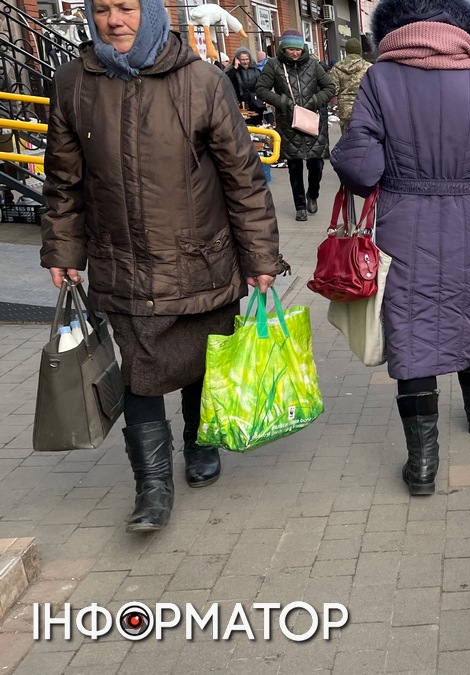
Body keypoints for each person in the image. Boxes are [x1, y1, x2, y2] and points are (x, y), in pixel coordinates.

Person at [40, 0, 286, 533]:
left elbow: (243, 178)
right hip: (122, 262)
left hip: (200, 258)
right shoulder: (72, 83)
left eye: (126, 7)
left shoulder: (202, 81)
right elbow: (63, 181)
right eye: (102, 9)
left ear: (150, 13)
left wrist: (261, 256)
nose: (114, 20)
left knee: (202, 362)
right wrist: (63, 250)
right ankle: (152, 487)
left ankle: (201, 443)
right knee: (140, 377)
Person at [331, 0, 470, 496]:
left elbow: (361, 172)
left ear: (395, 27)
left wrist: (352, 142)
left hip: (404, 227)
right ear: (463, 29)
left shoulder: (379, 81)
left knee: (412, 334)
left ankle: (422, 464)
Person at [257, 29, 335, 222]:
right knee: (294, 167)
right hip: (288, 123)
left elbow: (330, 87)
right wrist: (282, 102)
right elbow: (261, 89)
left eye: (297, 49)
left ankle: (313, 195)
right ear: (283, 48)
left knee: (316, 165)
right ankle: (300, 206)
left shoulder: (314, 65)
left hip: (312, 121)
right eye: (290, 49)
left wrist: (315, 101)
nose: (294, 52)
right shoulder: (274, 66)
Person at [329, 37, 371, 132]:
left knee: (346, 140)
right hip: (364, 107)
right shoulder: (368, 67)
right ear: (359, 51)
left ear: (346, 50)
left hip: (344, 109)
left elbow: (333, 90)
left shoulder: (337, 67)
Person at [227, 47, 264, 124]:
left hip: (255, 102)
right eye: (243, 60)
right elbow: (227, 80)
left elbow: (261, 84)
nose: (245, 62)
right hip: (241, 102)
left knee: (258, 124)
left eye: (247, 59)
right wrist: (234, 68)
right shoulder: (232, 70)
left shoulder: (255, 69)